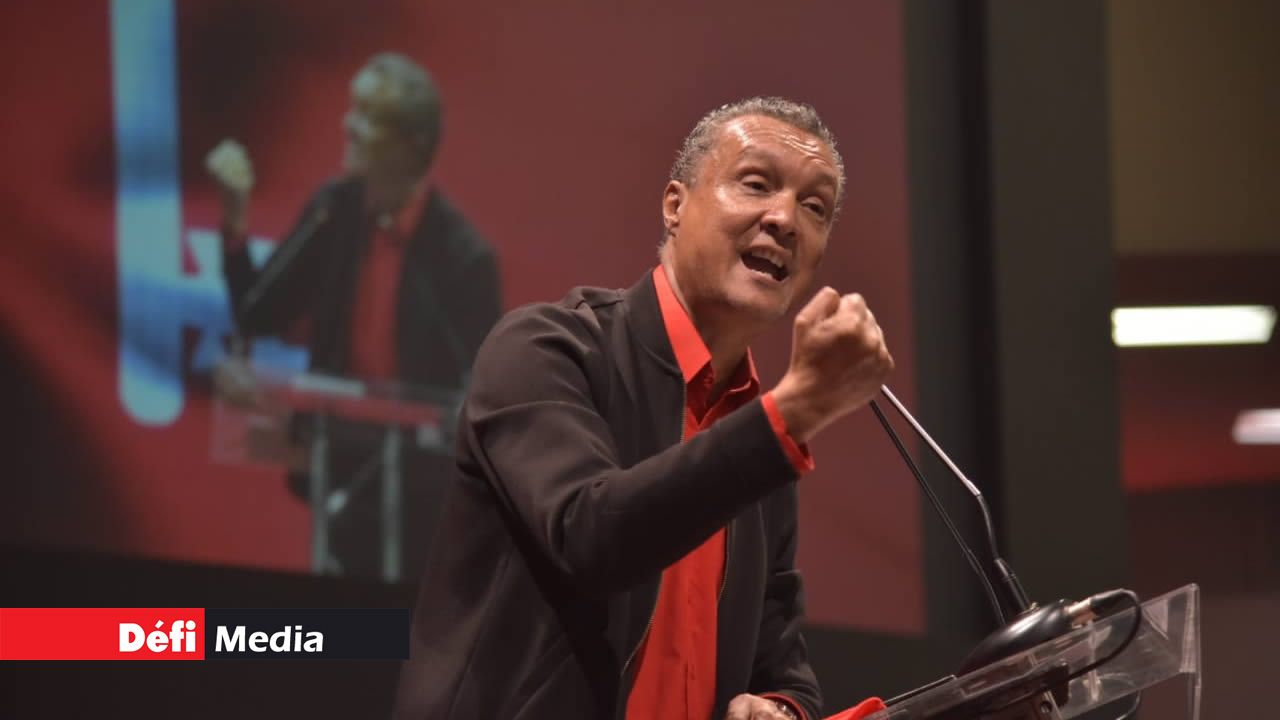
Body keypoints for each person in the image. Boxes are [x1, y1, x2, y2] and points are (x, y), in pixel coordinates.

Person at [393, 97, 893, 720]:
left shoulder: (761, 433)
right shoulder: (545, 349)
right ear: (675, 205)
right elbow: (591, 535)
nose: (785, 219)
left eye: (814, 207)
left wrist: (780, 707)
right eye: (756, 184)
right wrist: (791, 415)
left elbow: (780, 659)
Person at [207, 53, 501, 579]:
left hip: (423, 493)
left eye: (368, 115)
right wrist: (235, 218)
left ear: (411, 143)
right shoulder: (333, 211)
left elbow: (483, 394)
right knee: (340, 615)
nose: (348, 125)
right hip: (336, 466)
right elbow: (257, 312)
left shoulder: (462, 258)